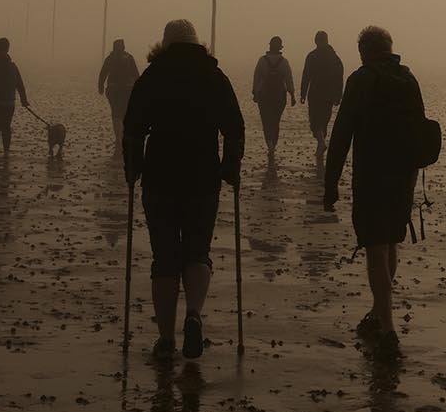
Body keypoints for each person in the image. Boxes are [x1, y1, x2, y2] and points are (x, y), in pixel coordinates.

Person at [123, 19, 244, 362]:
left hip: (160, 177)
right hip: (202, 177)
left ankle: (165, 338)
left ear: (166, 43)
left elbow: (132, 128)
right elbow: (234, 127)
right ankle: (193, 313)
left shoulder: (153, 76)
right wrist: (230, 170)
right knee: (197, 250)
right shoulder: (213, 76)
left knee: (164, 256)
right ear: (196, 43)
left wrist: (132, 170)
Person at [325, 26, 426, 346]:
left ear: (364, 52)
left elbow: (342, 133)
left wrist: (330, 184)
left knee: (375, 247)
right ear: (389, 47)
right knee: (391, 242)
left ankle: (387, 325)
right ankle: (377, 311)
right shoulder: (409, 79)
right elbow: (420, 128)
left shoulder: (362, 79)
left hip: (372, 174)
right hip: (404, 174)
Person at [300, 30, 345, 167]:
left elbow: (306, 75)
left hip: (315, 93)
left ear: (316, 41)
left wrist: (302, 93)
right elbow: (339, 77)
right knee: (324, 120)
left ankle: (321, 143)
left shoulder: (312, 56)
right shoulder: (335, 57)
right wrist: (339, 95)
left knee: (314, 121)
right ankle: (321, 146)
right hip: (329, 94)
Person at [251, 36, 297, 163]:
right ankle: (273, 146)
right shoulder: (284, 62)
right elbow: (289, 80)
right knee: (275, 121)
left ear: (269, 46)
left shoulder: (262, 61)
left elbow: (256, 78)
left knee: (266, 121)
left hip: (264, 96)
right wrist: (292, 95)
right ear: (280, 47)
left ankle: (269, 144)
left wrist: (255, 93)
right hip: (279, 97)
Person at [97, 37, 140, 155]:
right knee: (125, 113)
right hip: (127, 90)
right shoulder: (129, 58)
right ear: (124, 47)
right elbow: (136, 75)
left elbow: (103, 73)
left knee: (116, 113)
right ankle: (123, 136)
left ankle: (118, 137)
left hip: (113, 90)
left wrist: (100, 87)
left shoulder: (110, 59)